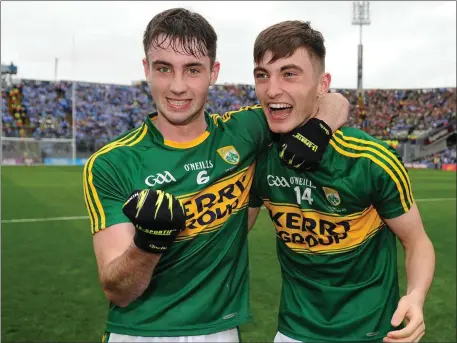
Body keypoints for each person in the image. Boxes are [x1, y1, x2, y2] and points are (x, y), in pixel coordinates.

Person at [82, 8, 349, 343]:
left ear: (214, 72)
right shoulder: (111, 163)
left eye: (193, 70)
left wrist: (319, 129)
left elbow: (332, 99)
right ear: (147, 70)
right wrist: (148, 244)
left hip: (220, 330)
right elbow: (118, 292)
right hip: (138, 333)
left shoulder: (246, 131)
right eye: (164, 69)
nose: (178, 86)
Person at [248, 20, 436, 343]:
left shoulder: (370, 161)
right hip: (294, 332)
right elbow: (233, 233)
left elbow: (416, 241)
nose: (272, 89)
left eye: (289, 73)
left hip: (372, 333)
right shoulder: (258, 155)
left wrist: (416, 296)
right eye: (262, 75)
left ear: (323, 84)